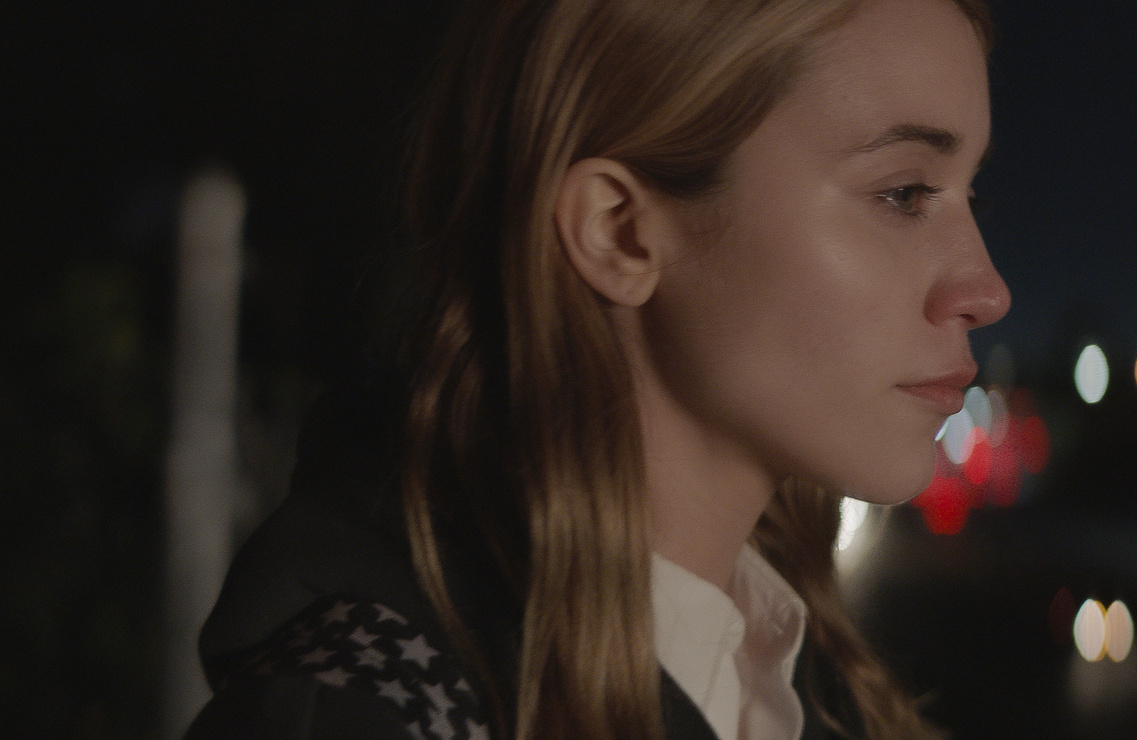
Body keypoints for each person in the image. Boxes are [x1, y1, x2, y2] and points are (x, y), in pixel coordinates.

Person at [183, 0, 1007, 737]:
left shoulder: (804, 686)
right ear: (618, 232)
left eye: (970, 194)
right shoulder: (369, 713)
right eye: (904, 193)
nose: (986, 290)